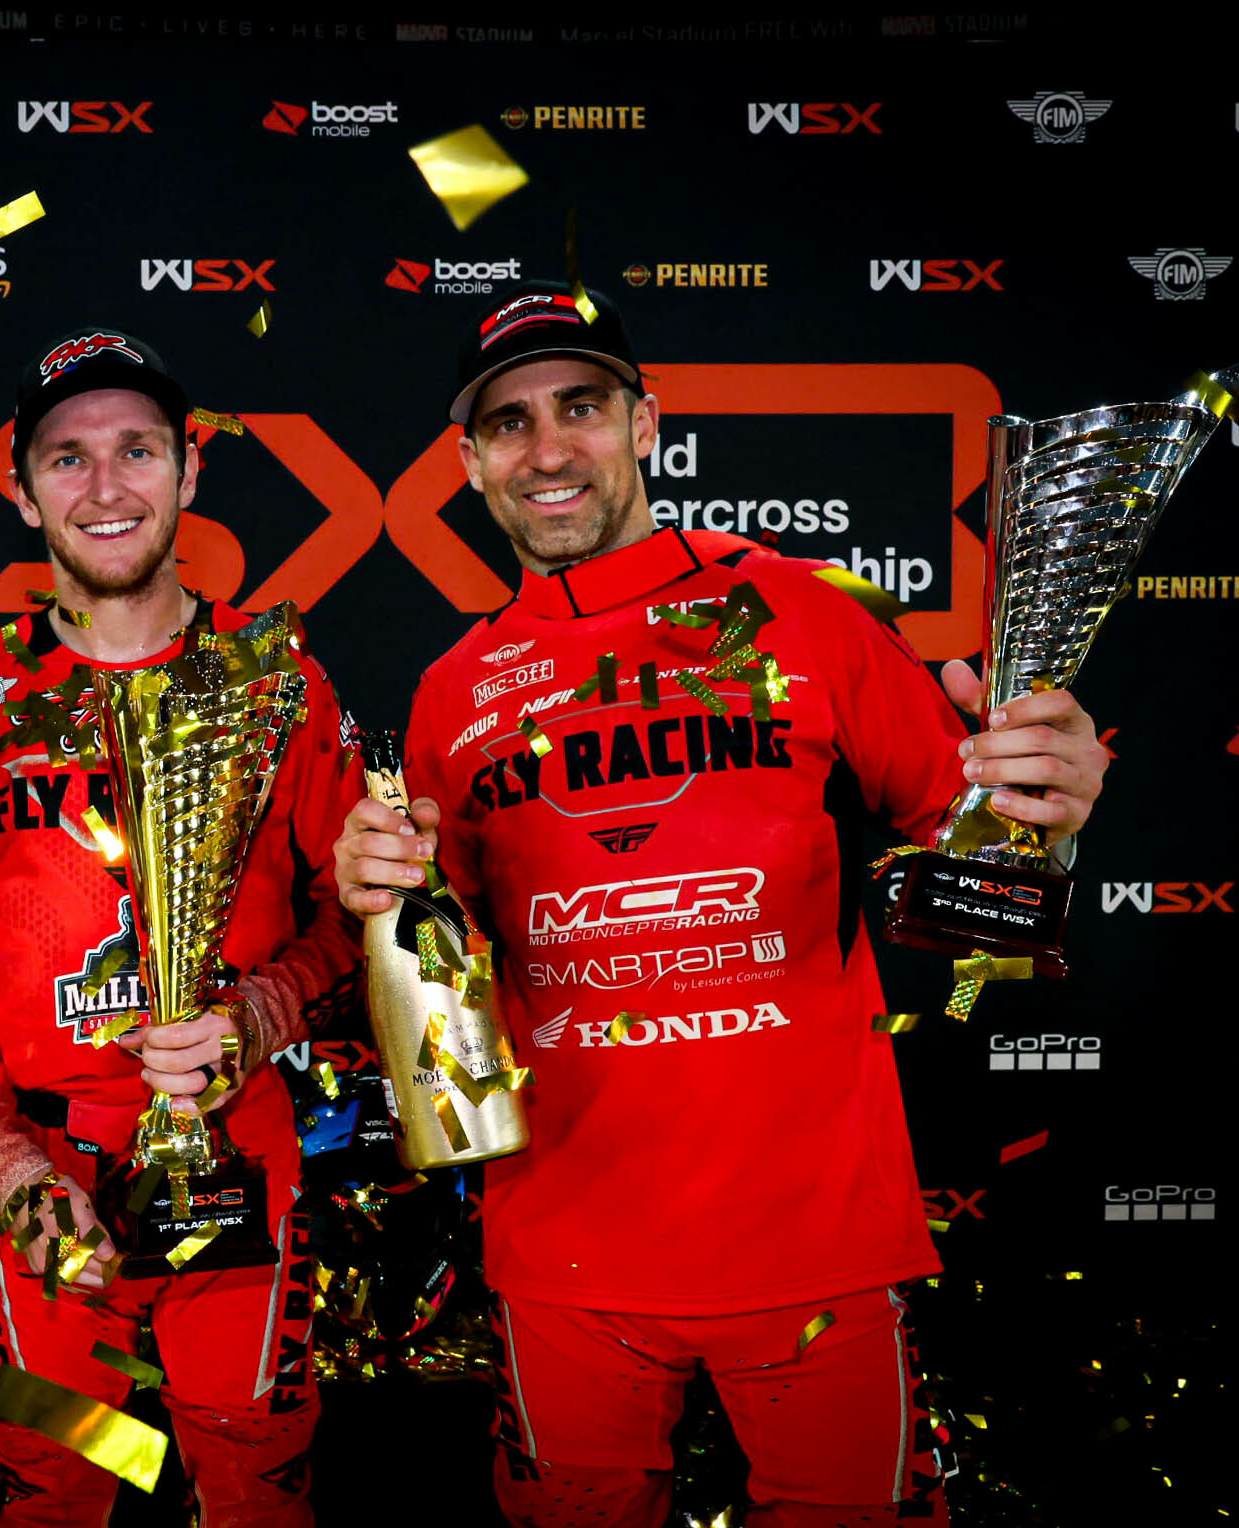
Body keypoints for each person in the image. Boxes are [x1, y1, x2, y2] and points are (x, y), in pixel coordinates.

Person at [329, 283, 1108, 1528]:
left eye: (582, 406)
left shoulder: (804, 610)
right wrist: (373, 895)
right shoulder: (451, 691)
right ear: (470, 463)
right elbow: (444, 971)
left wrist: (1047, 814)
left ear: (647, 423)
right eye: (511, 422)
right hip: (565, 1251)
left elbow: (984, 864)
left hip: (814, 1241)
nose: (549, 449)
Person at [0, 328, 363, 1527]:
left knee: (252, 1474)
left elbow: (357, 912)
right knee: (56, 1476)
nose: (105, 487)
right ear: (21, 486)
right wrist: (4, 1154)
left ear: (189, 469)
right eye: (68, 458)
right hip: (47, 1172)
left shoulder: (275, 677)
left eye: (137, 450)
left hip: (235, 1156)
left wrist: (261, 1014)